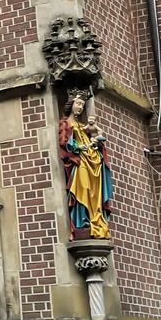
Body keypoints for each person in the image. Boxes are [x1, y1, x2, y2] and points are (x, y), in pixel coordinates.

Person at [59, 91, 113, 239]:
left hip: (92, 159)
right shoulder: (66, 123)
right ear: (71, 104)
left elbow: (94, 137)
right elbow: (64, 143)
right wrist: (78, 147)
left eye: (82, 105)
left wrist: (96, 144)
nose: (80, 107)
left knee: (95, 191)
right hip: (80, 160)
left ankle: (96, 219)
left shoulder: (83, 125)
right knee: (83, 187)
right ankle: (82, 221)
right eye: (78, 103)